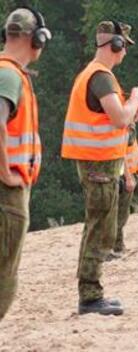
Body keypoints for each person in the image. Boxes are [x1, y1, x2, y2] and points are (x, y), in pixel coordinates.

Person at [61, 20, 138, 316]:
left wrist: (134, 109)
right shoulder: (101, 77)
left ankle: (91, 293)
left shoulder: (96, 75)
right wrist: (134, 98)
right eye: (124, 46)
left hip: (99, 164)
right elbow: (119, 120)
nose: (125, 53)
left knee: (99, 227)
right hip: (98, 165)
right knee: (100, 229)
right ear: (116, 45)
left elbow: (118, 121)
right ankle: (89, 295)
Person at [0, 7, 51, 321]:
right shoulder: (8, 75)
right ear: (37, 39)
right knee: (4, 277)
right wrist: (5, 172)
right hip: (6, 193)